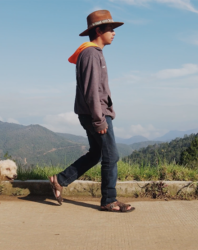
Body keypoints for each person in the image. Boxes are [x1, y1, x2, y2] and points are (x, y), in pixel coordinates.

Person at [48, 10, 135, 213]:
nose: (114, 33)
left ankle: (59, 179)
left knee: (96, 153)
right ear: (98, 30)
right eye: (110, 29)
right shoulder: (90, 54)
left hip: (93, 113)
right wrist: (99, 120)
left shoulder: (93, 53)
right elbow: (91, 91)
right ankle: (109, 200)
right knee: (111, 156)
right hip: (97, 115)